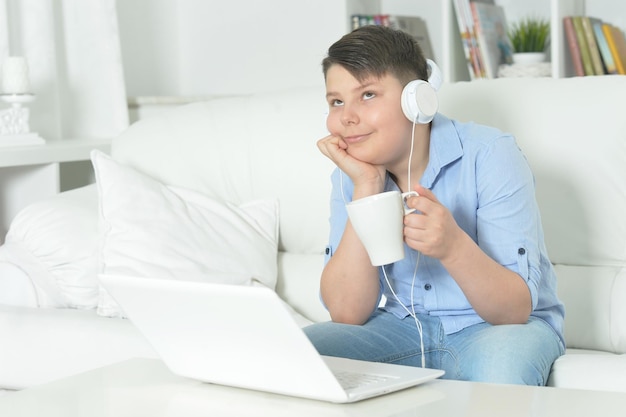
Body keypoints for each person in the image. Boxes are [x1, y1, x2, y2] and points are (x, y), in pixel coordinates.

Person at [303, 25, 565, 385]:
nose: (346, 117)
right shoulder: (351, 176)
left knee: (500, 371)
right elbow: (347, 312)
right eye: (336, 101)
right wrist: (367, 187)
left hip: (495, 330)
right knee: (301, 357)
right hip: (402, 328)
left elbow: (514, 311)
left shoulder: (490, 155)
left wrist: (453, 247)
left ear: (418, 100)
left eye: (367, 95)